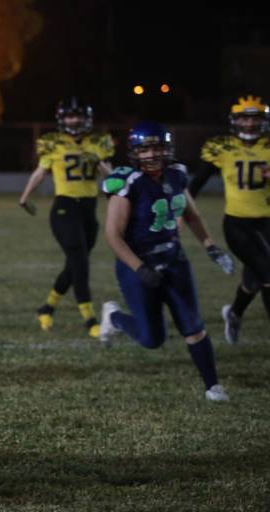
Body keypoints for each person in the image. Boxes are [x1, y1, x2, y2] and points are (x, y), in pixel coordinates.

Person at [99, 122, 234, 402]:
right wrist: (139, 269)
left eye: (157, 147)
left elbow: (191, 214)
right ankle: (113, 317)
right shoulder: (128, 182)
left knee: (193, 326)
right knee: (152, 339)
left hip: (173, 259)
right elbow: (112, 235)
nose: (151, 155)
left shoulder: (176, 174)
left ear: (168, 149)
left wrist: (211, 247)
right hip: (138, 264)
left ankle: (213, 386)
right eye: (144, 149)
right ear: (134, 152)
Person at [18, 97, 115, 339]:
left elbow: (111, 176)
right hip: (64, 209)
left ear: (86, 118)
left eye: (78, 116)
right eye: (70, 116)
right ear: (63, 119)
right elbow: (41, 171)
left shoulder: (98, 142)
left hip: (89, 210)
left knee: (74, 264)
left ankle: (47, 307)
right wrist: (24, 196)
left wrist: (100, 163)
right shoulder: (53, 142)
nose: (74, 120)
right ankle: (90, 319)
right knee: (81, 262)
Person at [189, 96, 270, 344]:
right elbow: (196, 183)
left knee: (254, 278)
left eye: (253, 119)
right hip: (237, 224)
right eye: (244, 118)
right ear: (235, 121)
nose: (248, 124)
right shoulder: (222, 147)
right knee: (267, 271)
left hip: (267, 222)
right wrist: (181, 212)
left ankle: (234, 314)